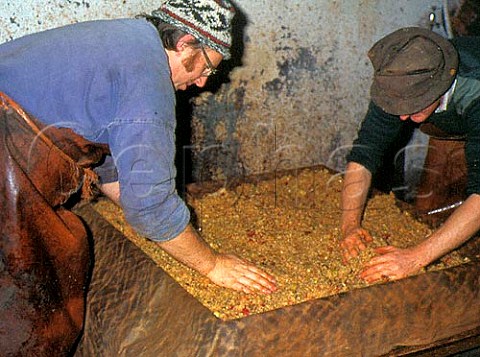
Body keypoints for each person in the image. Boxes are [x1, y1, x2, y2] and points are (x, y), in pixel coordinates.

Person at [0, 0, 276, 354]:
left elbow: (109, 161)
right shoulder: (148, 77)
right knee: (30, 311)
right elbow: (151, 207)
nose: (204, 81)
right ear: (185, 44)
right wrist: (212, 265)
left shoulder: (129, 40)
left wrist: (141, 209)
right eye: (206, 66)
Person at [340, 27, 480, 283]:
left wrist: (415, 258)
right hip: (457, 115)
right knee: (429, 208)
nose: (402, 117)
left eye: (413, 106)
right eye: (398, 107)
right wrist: (350, 226)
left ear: (441, 86)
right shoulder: (401, 78)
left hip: (474, 102)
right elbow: (365, 152)